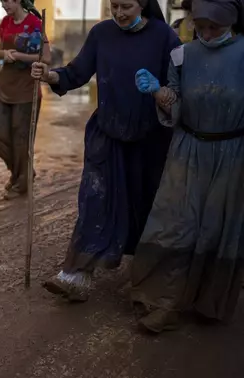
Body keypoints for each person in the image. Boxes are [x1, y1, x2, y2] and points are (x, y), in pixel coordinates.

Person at [30, 0, 180, 301]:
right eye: (114, 6)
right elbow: (76, 73)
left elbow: (179, 88)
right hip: (107, 133)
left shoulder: (165, 37)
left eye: (127, 6)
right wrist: (50, 76)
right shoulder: (101, 34)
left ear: (143, 4)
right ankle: (75, 275)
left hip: (150, 139)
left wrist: (160, 93)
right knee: (95, 199)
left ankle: (146, 280)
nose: (120, 13)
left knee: (146, 206)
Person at [131, 0, 244, 333]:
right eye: (200, 26)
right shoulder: (182, 55)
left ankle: (207, 300)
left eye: (215, 28)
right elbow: (175, 102)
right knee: (174, 223)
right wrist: (159, 93)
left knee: (215, 230)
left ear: (233, 21)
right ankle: (163, 302)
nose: (206, 35)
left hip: (233, 154)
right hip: (187, 148)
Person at [0, 0, 52, 200]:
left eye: (6, 1)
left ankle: (21, 182)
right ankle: (21, 173)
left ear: (18, 0)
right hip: (4, 88)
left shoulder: (34, 23)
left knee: (21, 141)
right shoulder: (5, 22)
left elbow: (46, 58)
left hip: (26, 91)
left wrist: (19, 56)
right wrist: (4, 55)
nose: (3, 5)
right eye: (1, 2)